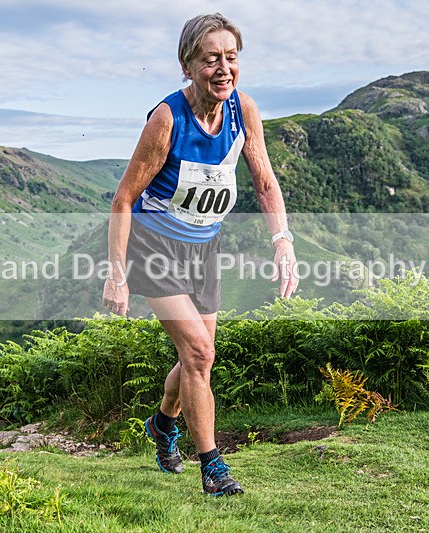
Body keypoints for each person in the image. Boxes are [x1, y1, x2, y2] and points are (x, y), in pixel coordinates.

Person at [102, 12, 298, 497]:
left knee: (197, 360)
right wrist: (116, 274)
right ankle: (212, 467)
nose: (224, 69)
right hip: (154, 246)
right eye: (211, 59)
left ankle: (163, 422)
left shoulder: (243, 110)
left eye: (231, 57)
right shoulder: (167, 119)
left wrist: (283, 241)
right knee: (199, 352)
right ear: (187, 66)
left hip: (204, 246)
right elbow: (123, 199)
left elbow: (264, 181)